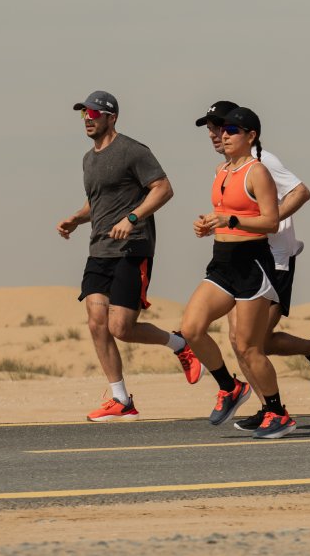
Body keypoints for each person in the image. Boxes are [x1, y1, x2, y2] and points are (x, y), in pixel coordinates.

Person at [57, 91, 202, 421]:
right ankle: (121, 400)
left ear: (112, 117)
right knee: (96, 324)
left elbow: (164, 189)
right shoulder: (88, 159)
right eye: (84, 114)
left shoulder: (133, 151)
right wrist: (76, 219)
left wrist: (132, 218)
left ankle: (179, 344)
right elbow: (97, 203)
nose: (88, 119)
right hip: (99, 250)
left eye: (94, 113)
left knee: (121, 327)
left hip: (132, 247)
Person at [195, 100, 310, 432]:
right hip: (239, 258)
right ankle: (268, 406)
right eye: (212, 128)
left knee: (253, 342)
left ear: (245, 132)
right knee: (241, 339)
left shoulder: (262, 160)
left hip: (274, 259)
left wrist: (267, 221)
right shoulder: (227, 169)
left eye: (222, 127)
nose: (215, 134)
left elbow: (301, 192)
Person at [181, 106, 296, 439]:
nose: (224, 135)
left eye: (232, 130)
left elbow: (270, 221)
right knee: (191, 328)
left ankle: (278, 412)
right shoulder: (221, 170)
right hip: (222, 262)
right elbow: (225, 215)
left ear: (251, 136)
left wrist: (229, 222)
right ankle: (229, 386)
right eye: (223, 130)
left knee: (248, 347)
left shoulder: (257, 172)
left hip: (251, 265)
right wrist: (209, 226)